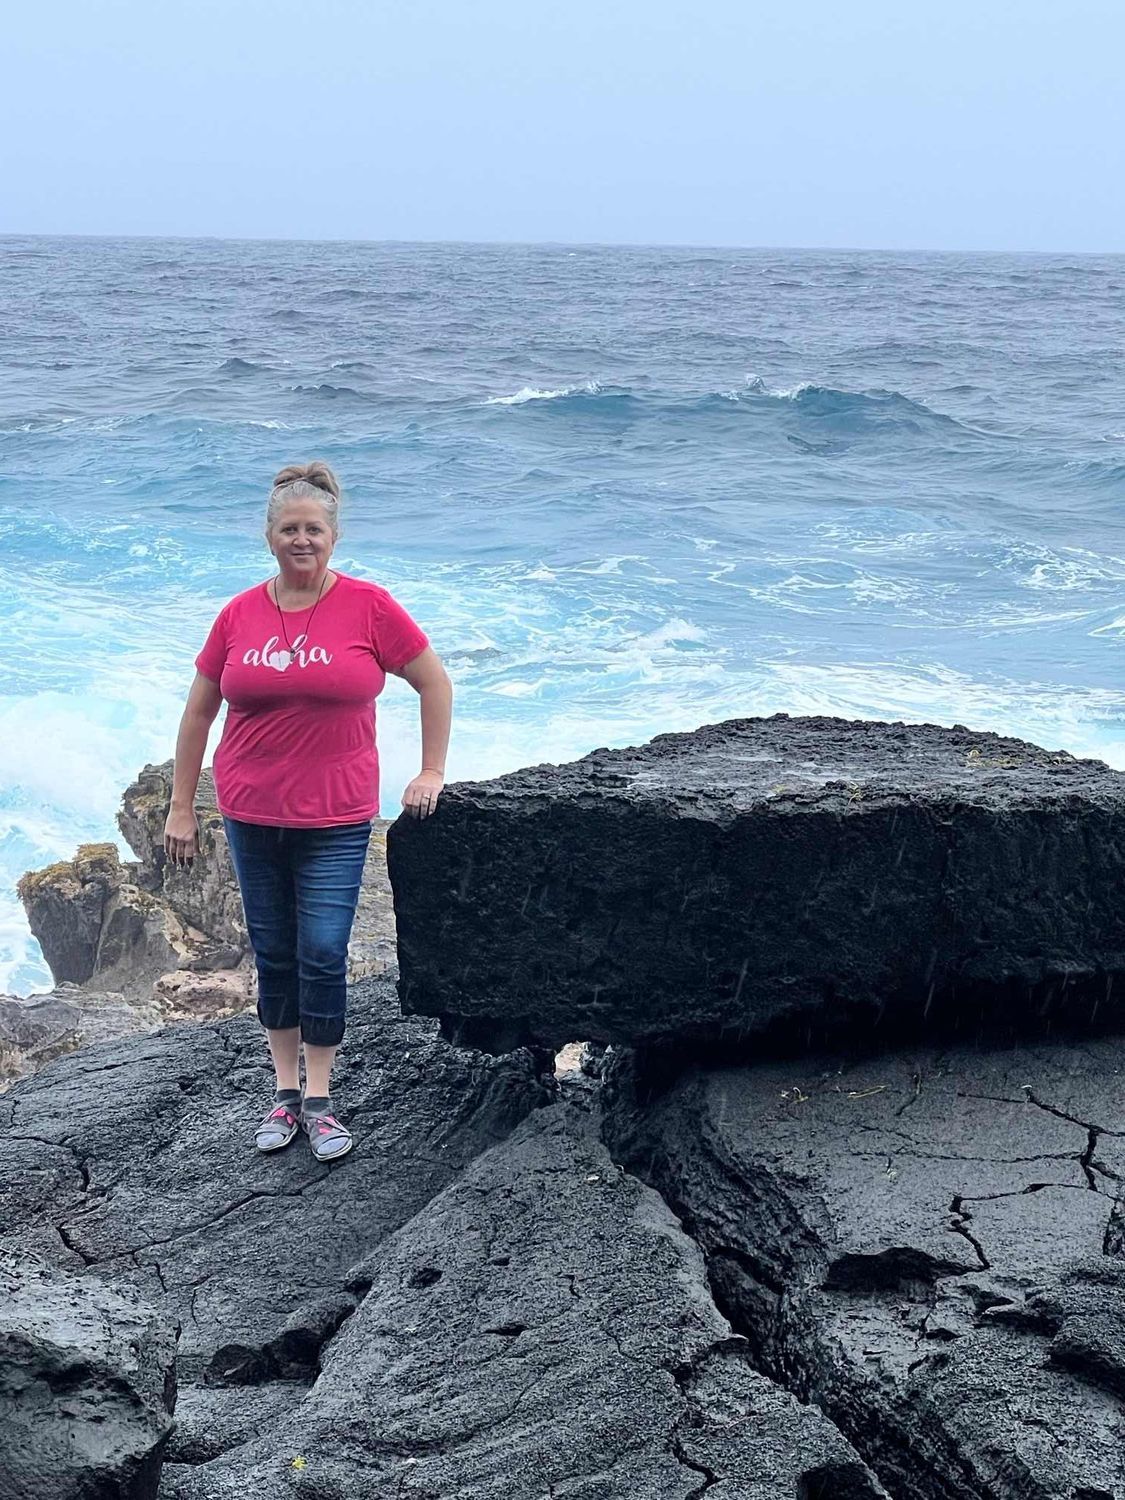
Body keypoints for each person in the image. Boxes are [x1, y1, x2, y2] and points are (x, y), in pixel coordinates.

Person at [162, 462, 451, 1162]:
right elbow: (199, 712)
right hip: (250, 814)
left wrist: (431, 770)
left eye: (313, 530)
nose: (301, 540)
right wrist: (180, 806)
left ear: (333, 536)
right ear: (269, 538)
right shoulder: (237, 614)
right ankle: (283, 1093)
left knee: (322, 952)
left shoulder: (369, 606)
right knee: (276, 954)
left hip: (337, 816)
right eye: (288, 529)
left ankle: (320, 1099)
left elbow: (433, 681)